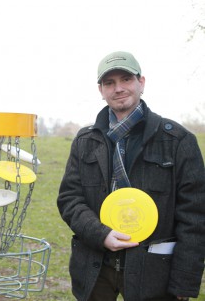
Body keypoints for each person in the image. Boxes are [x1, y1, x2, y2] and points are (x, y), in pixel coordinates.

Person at [57, 51, 205, 301]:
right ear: (101, 90)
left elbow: (195, 217)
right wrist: (99, 233)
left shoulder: (178, 141)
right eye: (109, 83)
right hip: (95, 267)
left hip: (155, 273)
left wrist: (183, 284)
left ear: (141, 83)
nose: (118, 88)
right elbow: (70, 199)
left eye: (126, 79)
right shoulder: (85, 141)